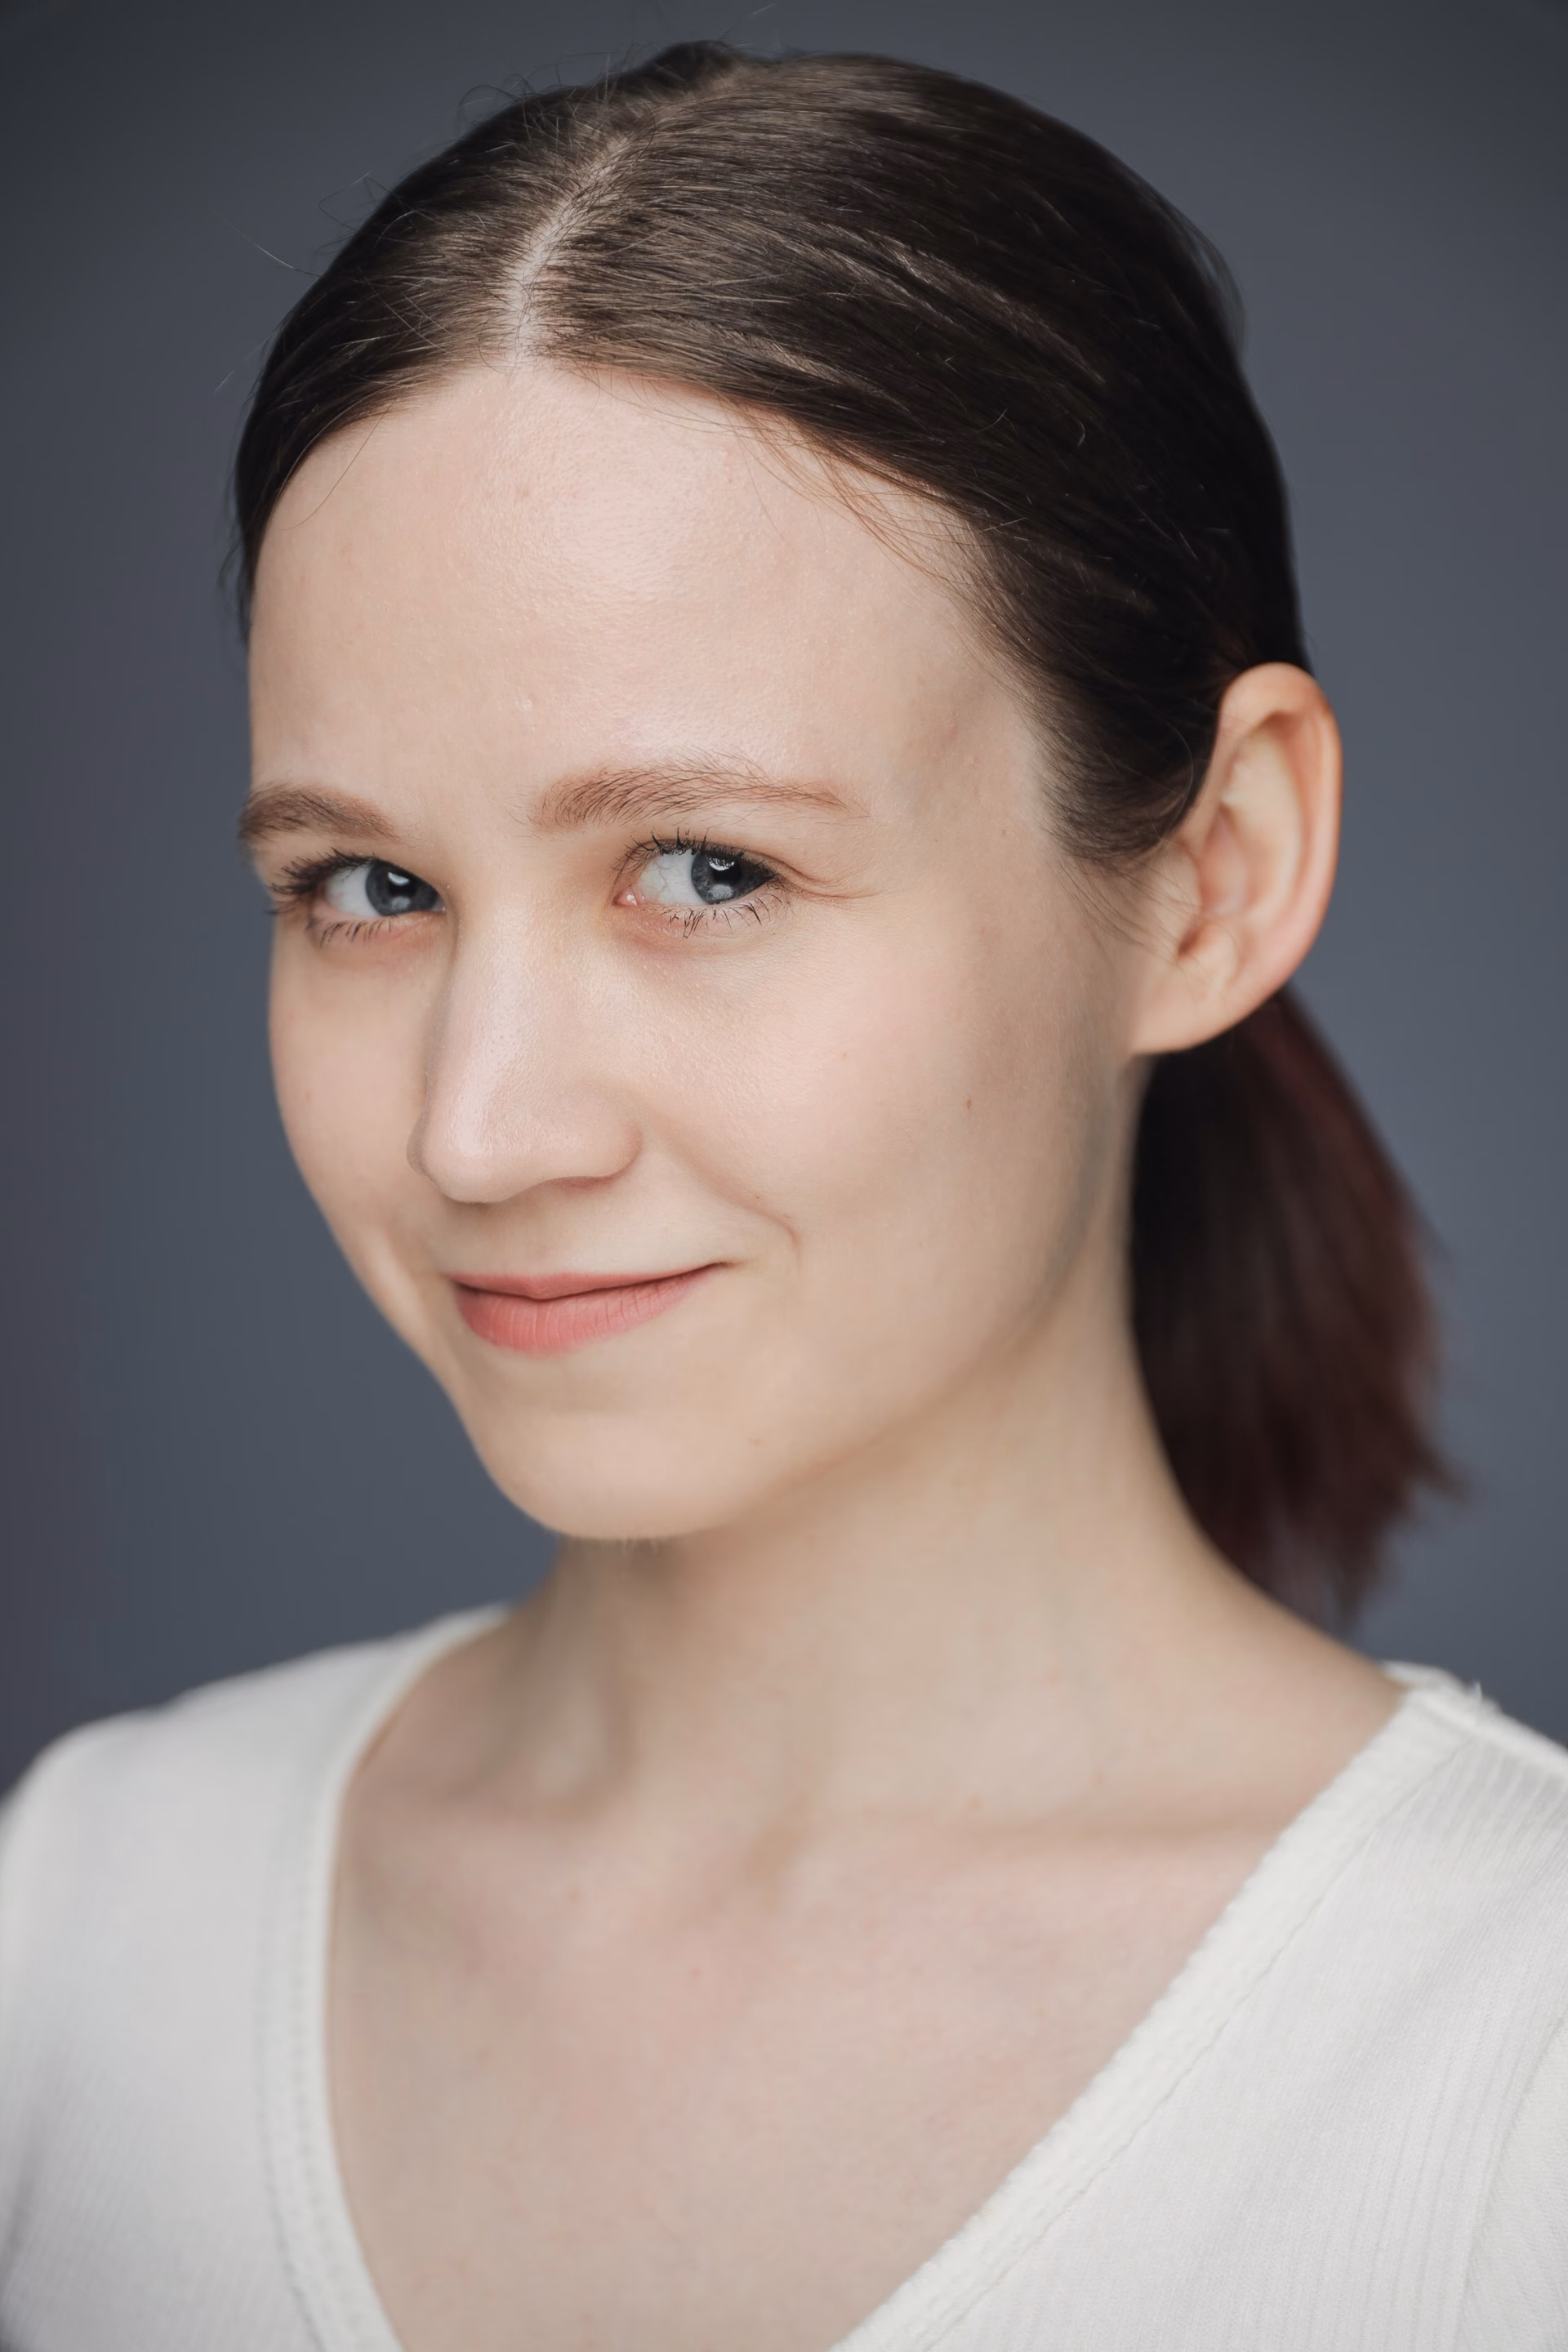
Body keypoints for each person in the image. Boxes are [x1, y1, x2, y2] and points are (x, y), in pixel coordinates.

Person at [1, 40, 1564, 2352]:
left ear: (1217, 873)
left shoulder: (1516, 2064)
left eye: (708, 869)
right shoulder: (82, 1926)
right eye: (368, 887)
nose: (476, 1131)